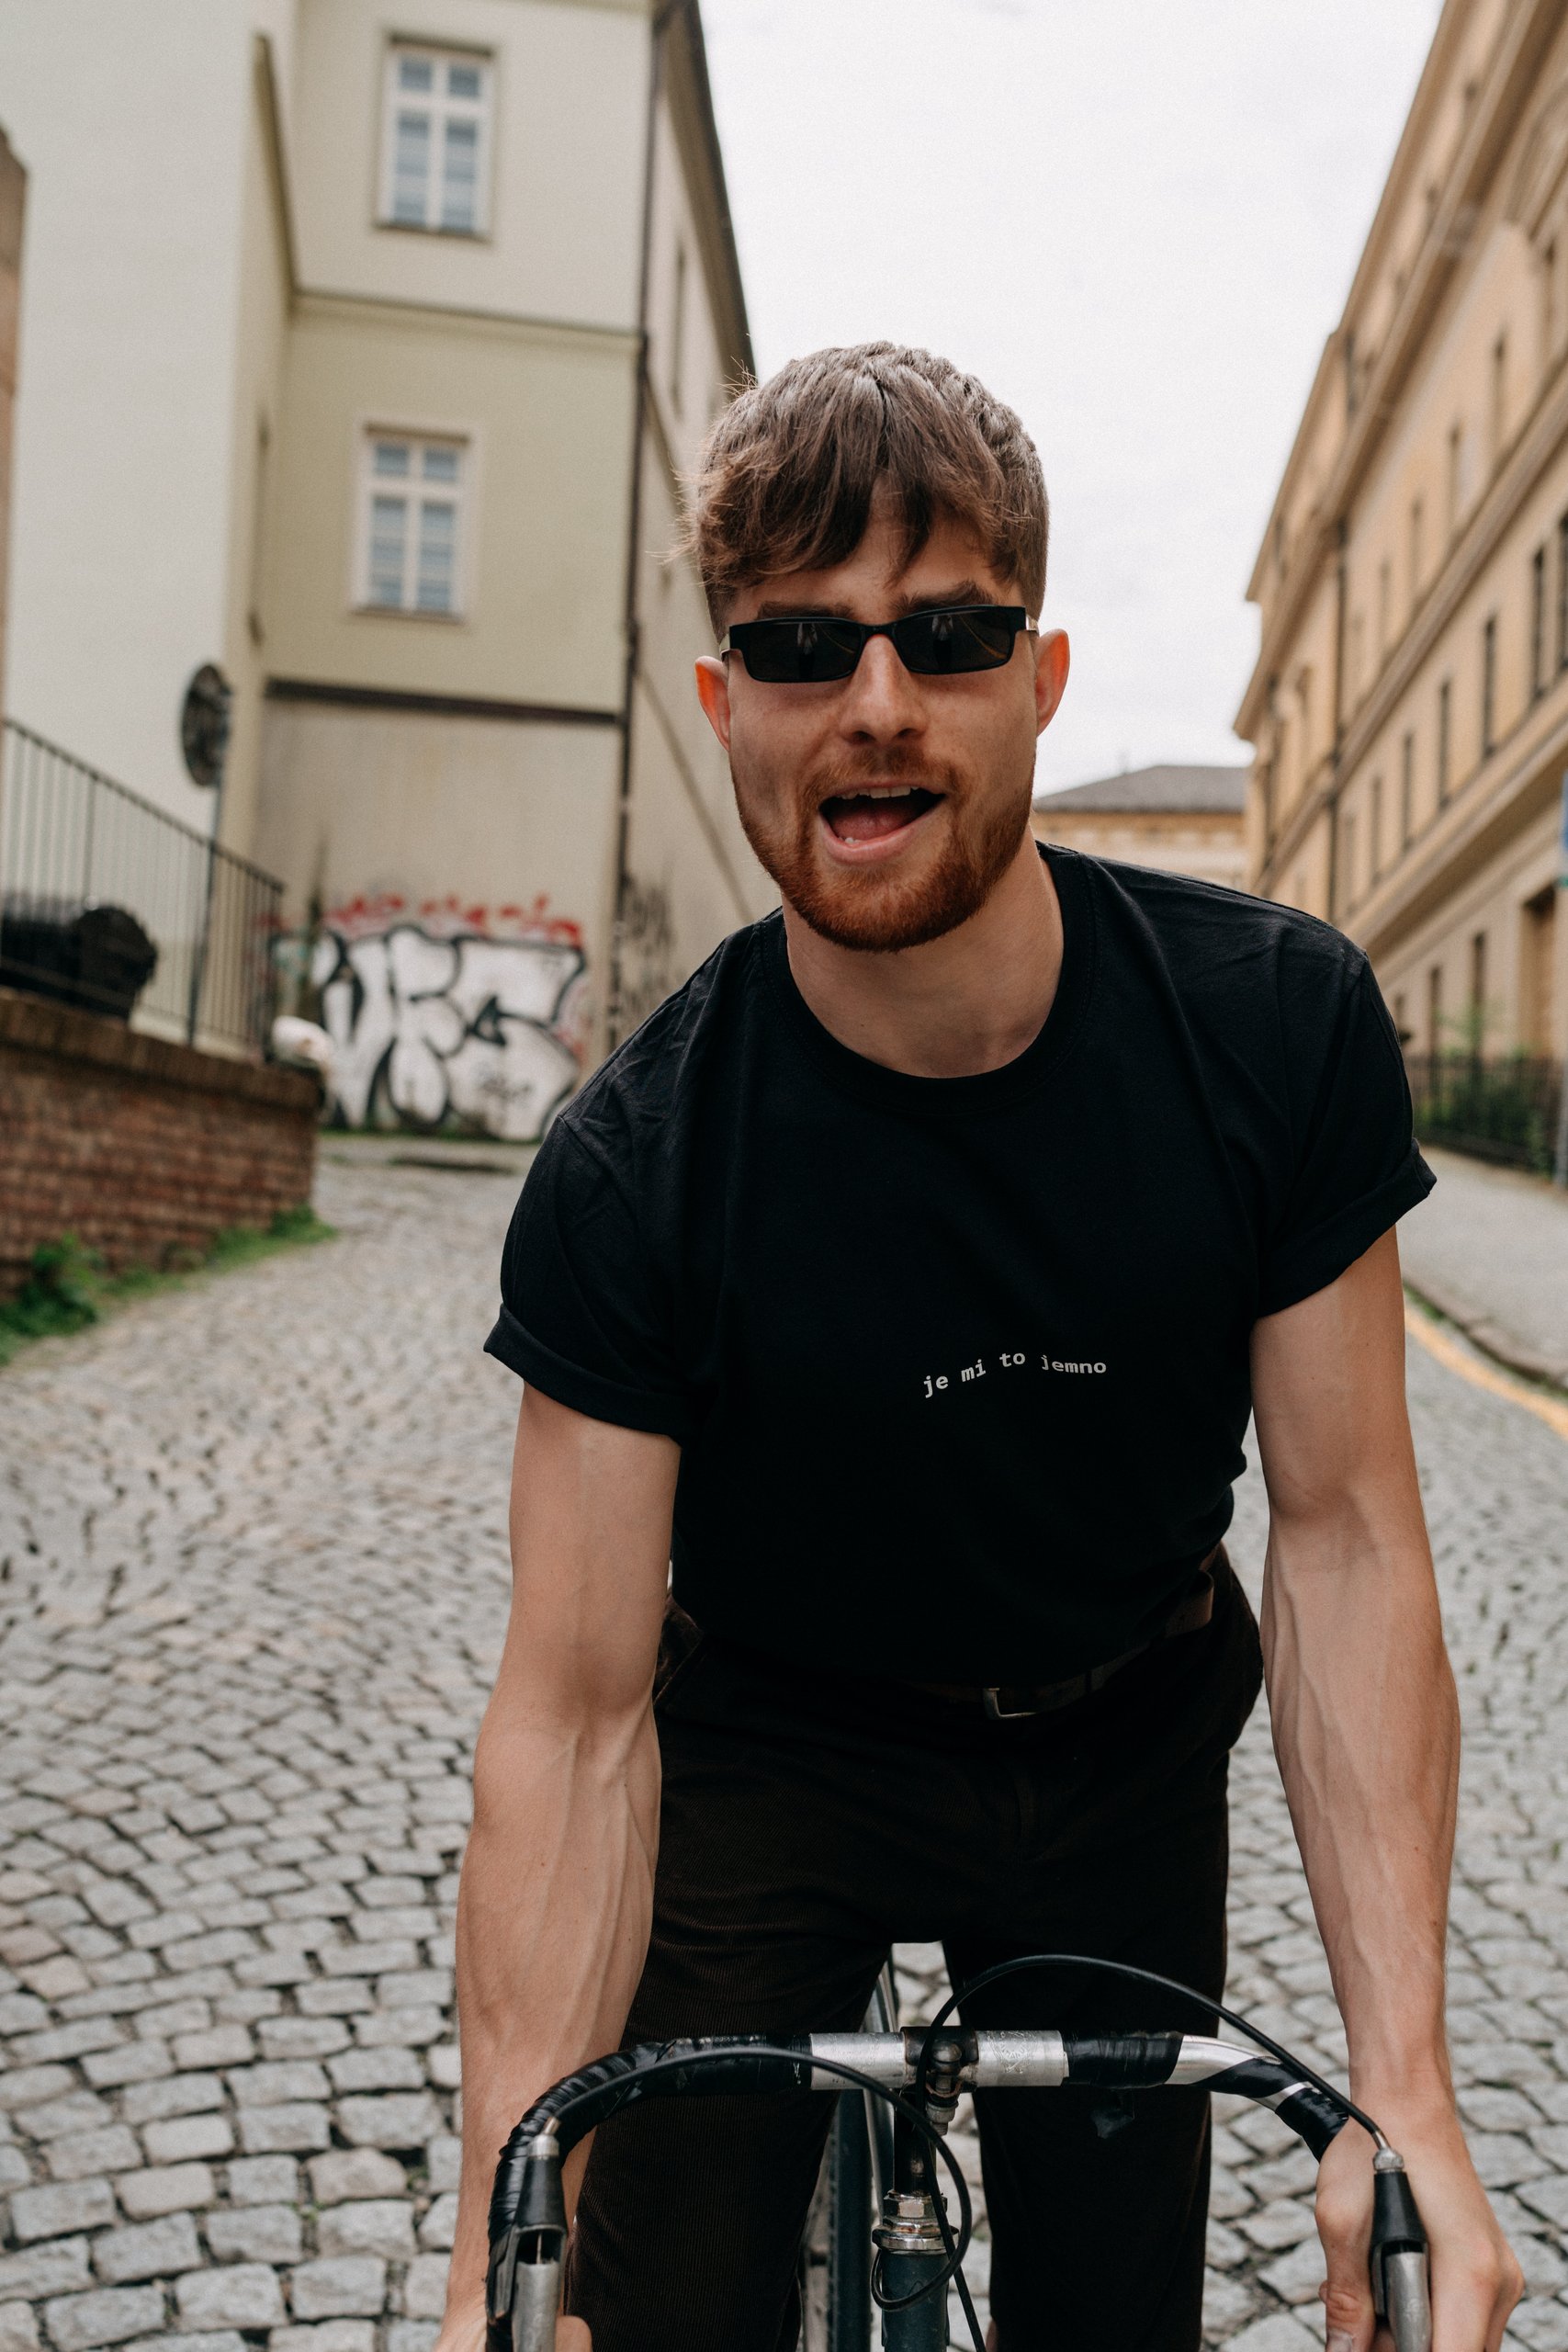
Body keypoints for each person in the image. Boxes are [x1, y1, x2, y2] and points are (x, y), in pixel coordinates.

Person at [437, 344, 1520, 2352]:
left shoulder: (1274, 1031)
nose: (875, 701)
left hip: (1121, 1736)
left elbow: (1349, 1534)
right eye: (800, 643)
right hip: (773, 1747)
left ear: (1039, 678)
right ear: (725, 705)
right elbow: (574, 1721)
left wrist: (1408, 2095)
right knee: (655, 2312)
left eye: (946, 634)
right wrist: (505, 2235)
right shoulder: (634, 1166)